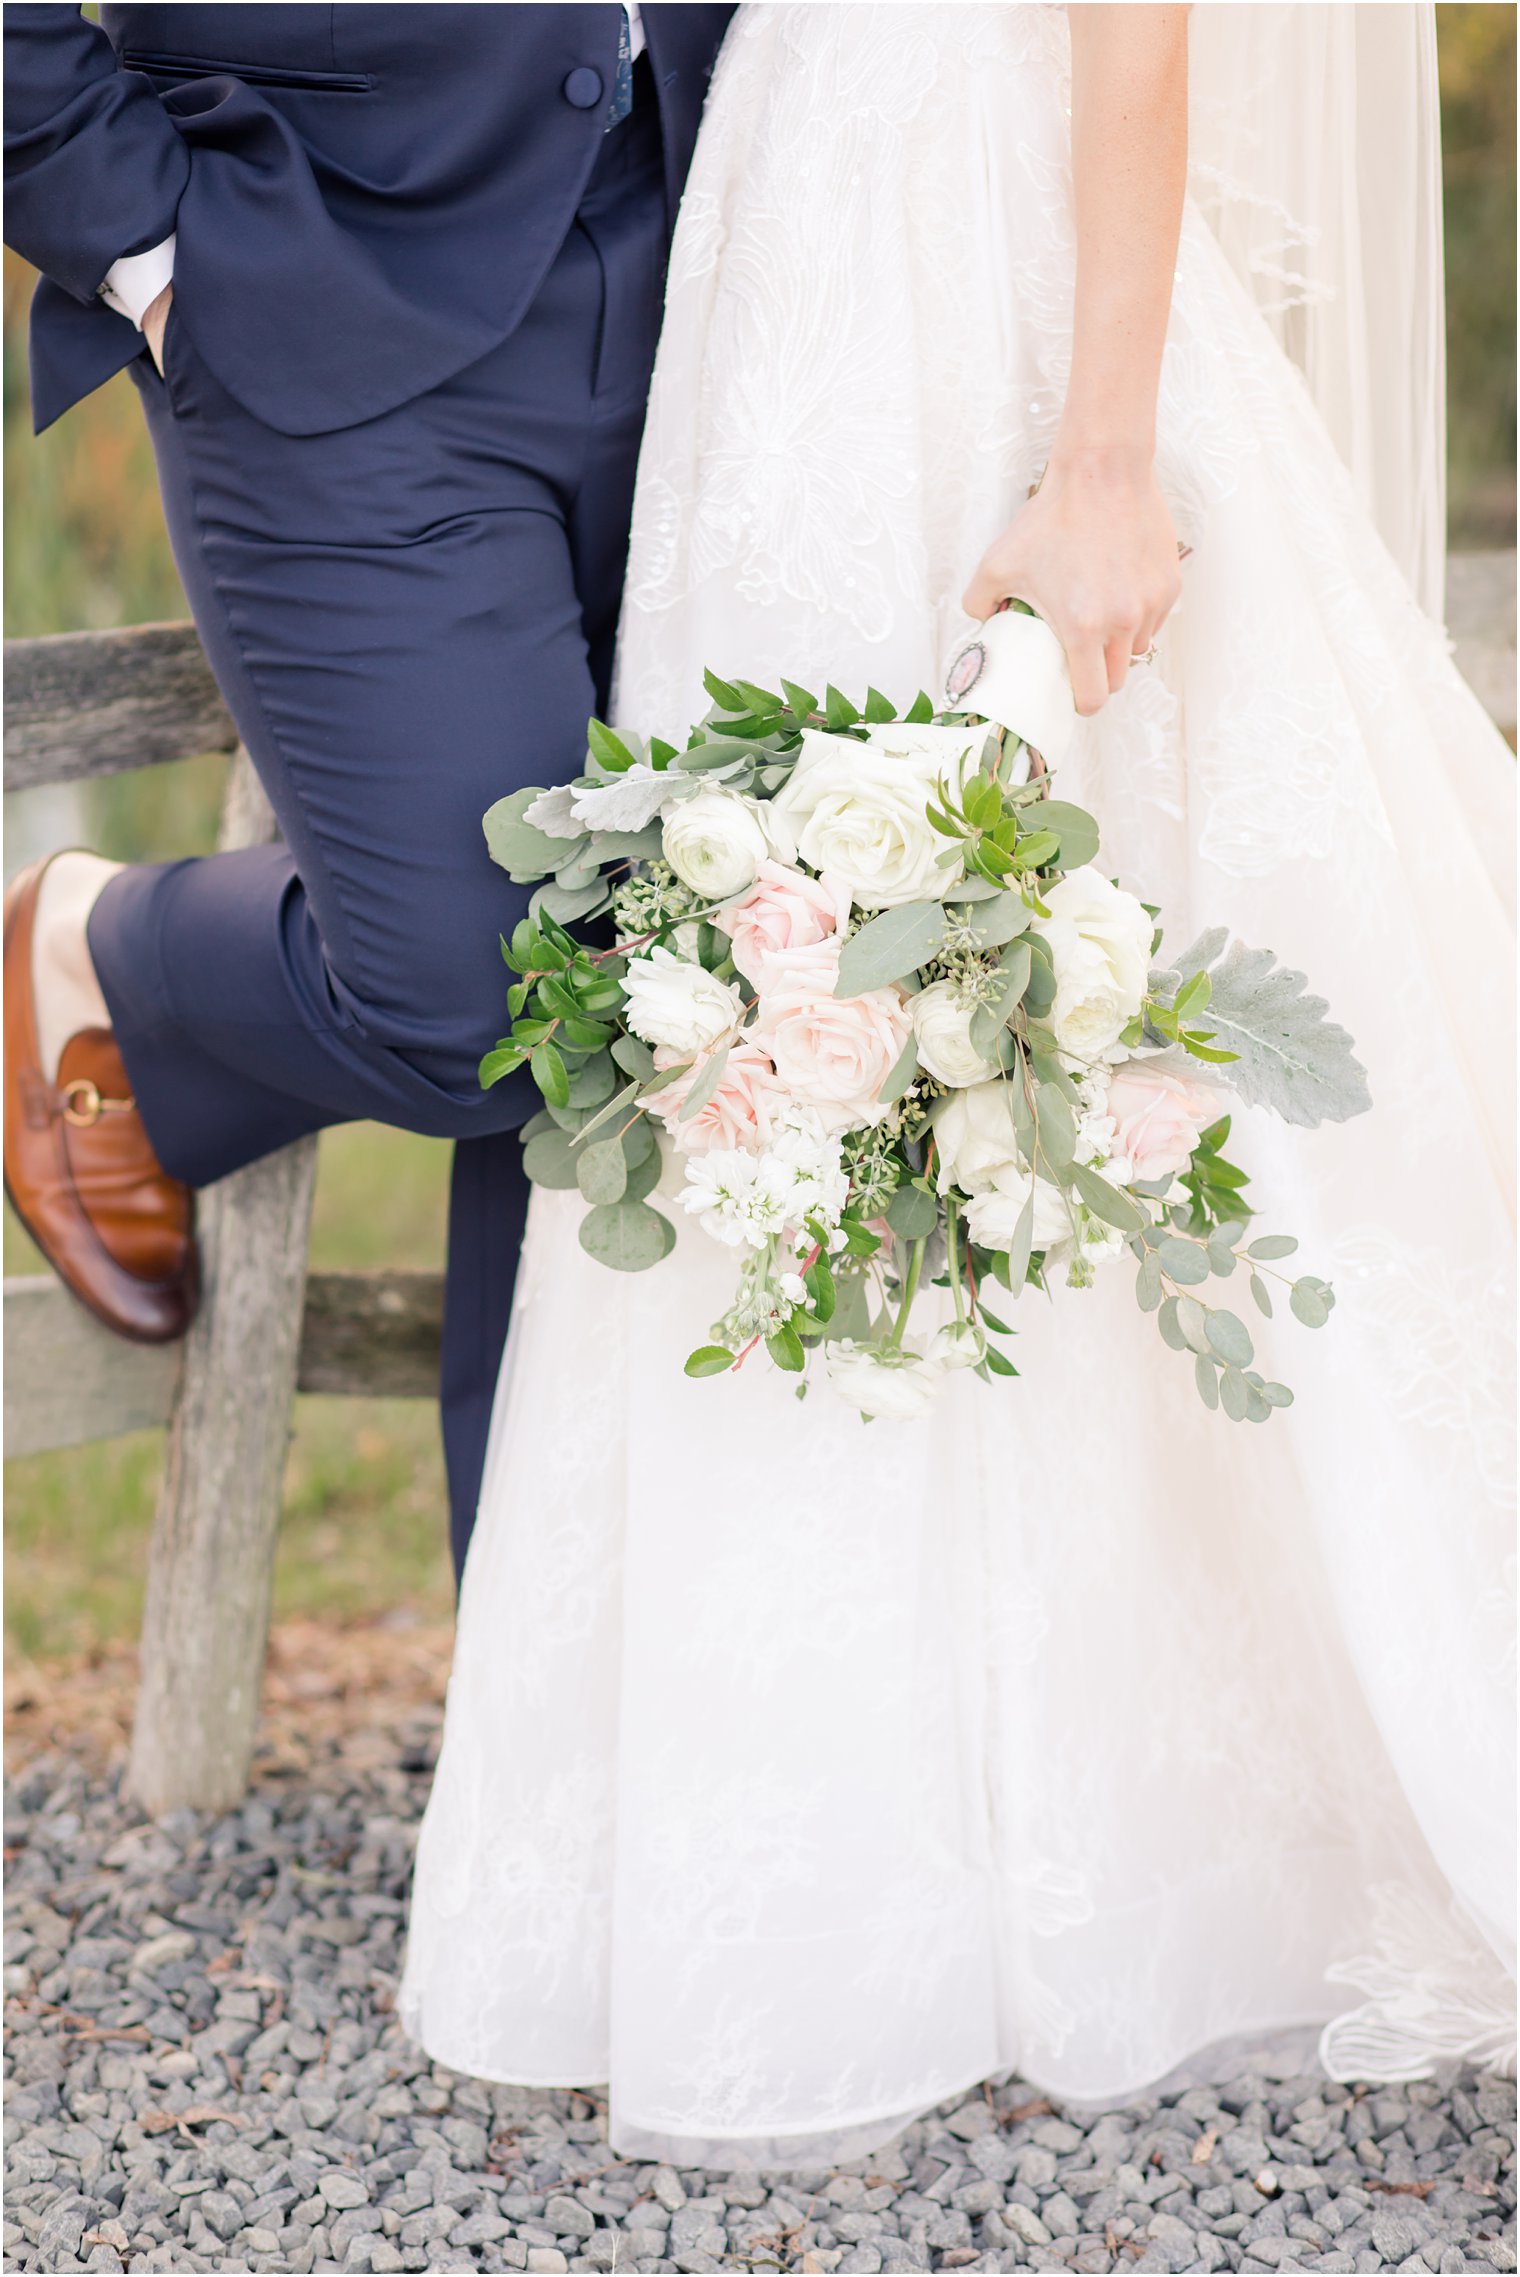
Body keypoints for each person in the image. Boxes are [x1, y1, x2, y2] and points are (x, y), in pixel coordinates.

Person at [400, 2, 1517, 2169]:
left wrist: (1099, 453)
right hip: (794, 247)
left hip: (989, 260)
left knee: (1129, 983)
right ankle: (890, 1845)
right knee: (827, 995)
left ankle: (1158, 1821)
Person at [2, 1, 733, 1578]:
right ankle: (94, 947)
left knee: (685, 959)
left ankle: (541, 1712)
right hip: (312, 261)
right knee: (494, 997)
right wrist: (136, 239)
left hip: (740, 242)